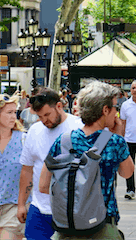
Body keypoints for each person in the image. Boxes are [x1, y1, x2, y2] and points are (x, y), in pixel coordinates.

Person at [39, 81, 134, 240]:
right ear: (105, 110)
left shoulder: (63, 141)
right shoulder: (114, 142)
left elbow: (43, 185)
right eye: (114, 108)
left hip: (67, 228)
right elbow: (127, 172)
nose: (116, 113)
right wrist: (117, 134)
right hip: (102, 227)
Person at [17, 88, 83, 240]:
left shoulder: (78, 128)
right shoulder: (34, 131)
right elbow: (27, 169)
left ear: (59, 106)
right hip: (39, 210)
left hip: (70, 212)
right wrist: (21, 204)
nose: (44, 120)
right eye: (40, 116)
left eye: (47, 115)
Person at [0, 94, 27, 240]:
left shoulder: (24, 140)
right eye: (9, 113)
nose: (13, 117)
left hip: (13, 206)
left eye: (14, 112)